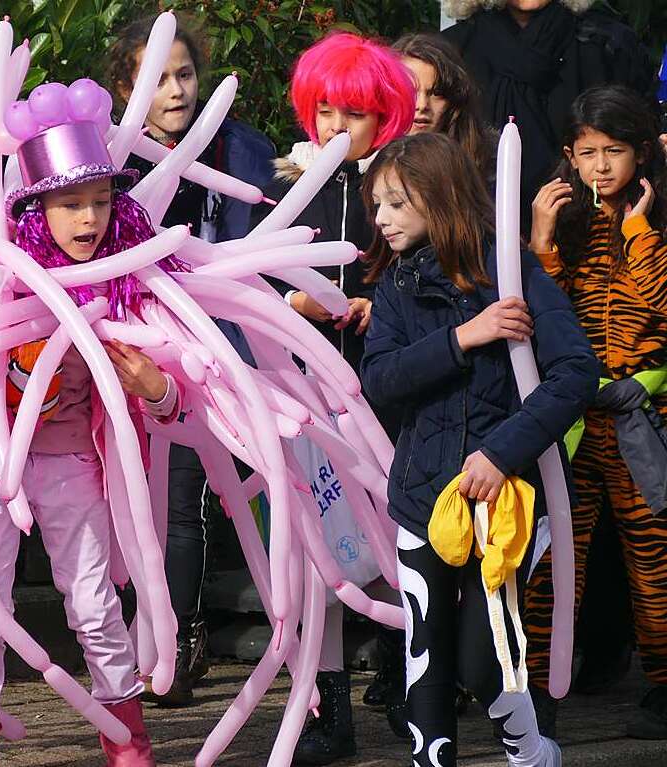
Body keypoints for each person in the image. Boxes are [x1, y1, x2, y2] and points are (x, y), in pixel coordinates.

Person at [0, 83, 189, 767]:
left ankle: (129, 745)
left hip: (68, 466)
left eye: (102, 202)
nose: (89, 218)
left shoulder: (133, 286)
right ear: (36, 209)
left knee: (94, 605)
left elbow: (188, 405)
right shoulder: (1, 282)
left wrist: (159, 387)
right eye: (71, 203)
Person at [361, 131, 599, 767]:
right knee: (426, 653)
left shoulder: (511, 272)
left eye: (395, 204)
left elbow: (576, 372)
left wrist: (501, 455)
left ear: (439, 202)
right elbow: (378, 379)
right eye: (376, 204)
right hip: (420, 499)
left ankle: (528, 748)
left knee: (485, 660)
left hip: (505, 504)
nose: (379, 219)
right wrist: (463, 337)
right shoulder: (394, 287)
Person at [249, 31, 416, 764]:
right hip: (308, 395)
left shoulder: (406, 184)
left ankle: (412, 689)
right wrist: (295, 301)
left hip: (391, 399)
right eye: (323, 112)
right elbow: (254, 280)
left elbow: (432, 276)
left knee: (399, 545)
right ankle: (327, 707)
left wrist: (375, 306)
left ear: (386, 114)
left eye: (353, 113)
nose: (335, 129)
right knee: (317, 554)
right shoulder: (295, 186)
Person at [106, 15, 276, 707]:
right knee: (125, 502)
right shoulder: (111, 154)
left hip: (215, 353)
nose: (176, 90)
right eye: (159, 78)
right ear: (127, 88)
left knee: (181, 500)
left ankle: (178, 642)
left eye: (185, 74)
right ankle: (128, 642)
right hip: (126, 348)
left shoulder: (243, 150)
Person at [526, 84, 667, 740]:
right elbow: (538, 319)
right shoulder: (568, 223)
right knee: (555, 556)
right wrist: (544, 240)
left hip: (646, 418)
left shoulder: (656, 223)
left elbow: (655, 311)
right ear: (569, 157)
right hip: (574, 418)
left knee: (654, 558)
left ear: (641, 153)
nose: (603, 166)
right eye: (589, 152)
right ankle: (534, 689)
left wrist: (638, 236)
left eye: (615, 151)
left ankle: (664, 686)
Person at [443, 0, 653, 228]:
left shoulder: (609, 45)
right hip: (476, 230)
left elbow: (643, 142)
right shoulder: (452, 51)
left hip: (593, 234)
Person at [392, 32, 498, 185]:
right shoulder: (362, 168)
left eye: (436, 93)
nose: (422, 105)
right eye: (409, 91)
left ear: (454, 99)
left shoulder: (489, 163)